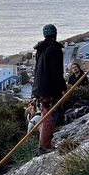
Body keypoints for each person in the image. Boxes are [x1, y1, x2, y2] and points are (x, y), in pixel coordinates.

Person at [33, 23, 66, 153]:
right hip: (49, 89)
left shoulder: (41, 49)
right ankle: (44, 146)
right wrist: (62, 88)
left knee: (46, 114)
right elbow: (55, 72)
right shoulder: (53, 49)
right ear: (55, 34)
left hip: (40, 88)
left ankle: (45, 143)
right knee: (49, 116)